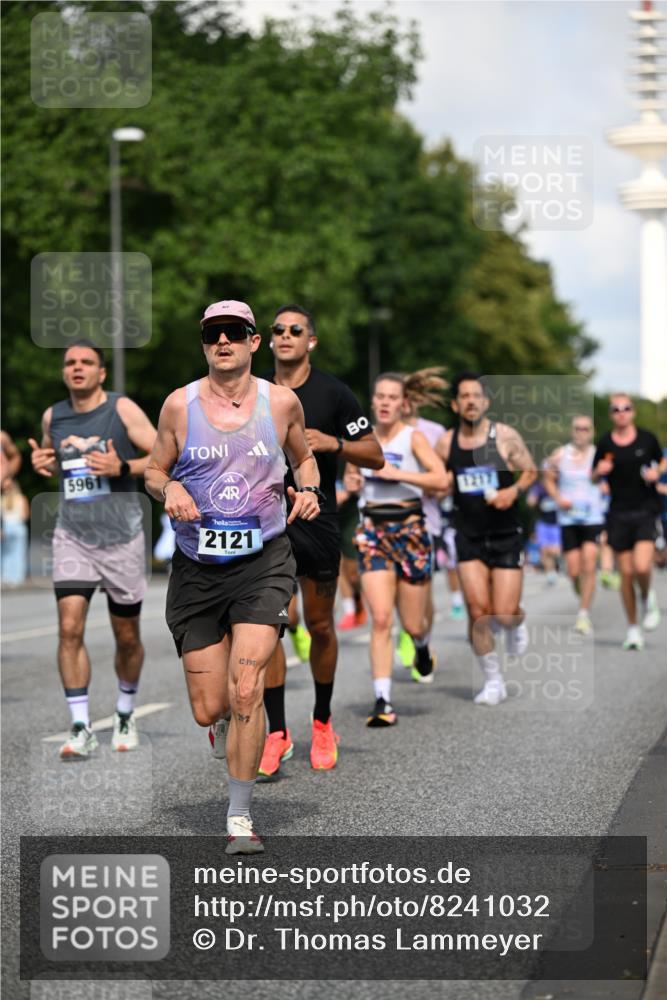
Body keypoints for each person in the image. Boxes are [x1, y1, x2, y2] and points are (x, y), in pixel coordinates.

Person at [145, 299, 321, 852]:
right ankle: (223, 727)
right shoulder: (180, 405)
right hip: (198, 568)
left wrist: (310, 489)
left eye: (234, 332)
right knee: (211, 706)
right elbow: (154, 468)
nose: (223, 342)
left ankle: (239, 818)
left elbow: (305, 458)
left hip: (263, 562)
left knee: (247, 689)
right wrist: (169, 487)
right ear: (204, 343)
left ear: (253, 342)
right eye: (213, 334)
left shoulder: (282, 402)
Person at [258, 304, 383, 777]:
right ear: (268, 340)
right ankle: (276, 731)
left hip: (318, 519)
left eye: (296, 330)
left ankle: (323, 719)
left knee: (320, 626)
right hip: (263, 521)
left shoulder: (333, 392)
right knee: (268, 628)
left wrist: (335, 444)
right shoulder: (254, 393)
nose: (285, 336)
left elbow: (375, 455)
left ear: (311, 341)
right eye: (278, 330)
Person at [28, 341, 157, 759]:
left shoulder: (121, 410)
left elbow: (161, 454)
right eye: (70, 362)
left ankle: (124, 710)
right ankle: (80, 725)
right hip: (73, 536)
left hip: (121, 537)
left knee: (127, 636)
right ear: (64, 372)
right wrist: (45, 465)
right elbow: (54, 461)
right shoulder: (54, 415)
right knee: (69, 628)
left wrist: (121, 467)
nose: (77, 368)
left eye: (86, 362)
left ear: (101, 373)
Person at [346, 372, 448, 727]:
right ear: (373, 401)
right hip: (373, 530)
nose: (386, 402)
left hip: (411, 530)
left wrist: (399, 475)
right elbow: (350, 481)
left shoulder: (413, 438)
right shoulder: (362, 439)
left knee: (414, 623)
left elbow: (441, 479)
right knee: (382, 618)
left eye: (393, 397)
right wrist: (351, 481)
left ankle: (421, 647)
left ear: (403, 404)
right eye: (381, 396)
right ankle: (383, 699)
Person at [437, 373, 537, 706]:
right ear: (455, 404)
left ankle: (517, 621)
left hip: (505, 534)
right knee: (477, 611)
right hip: (468, 536)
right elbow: (439, 480)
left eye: (476, 396)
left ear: (486, 402)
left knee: (503, 613)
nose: (470, 401)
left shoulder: (504, 436)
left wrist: (513, 490)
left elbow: (531, 471)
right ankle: (494, 681)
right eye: (463, 396)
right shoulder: (446, 442)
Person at [593, 394, 665, 650]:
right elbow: (593, 476)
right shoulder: (605, 443)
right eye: (616, 409)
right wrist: (598, 473)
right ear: (612, 414)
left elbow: (663, 459)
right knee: (625, 573)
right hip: (618, 513)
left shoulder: (647, 439)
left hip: (645, 510)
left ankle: (648, 598)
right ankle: (633, 629)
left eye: (626, 408)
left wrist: (659, 471)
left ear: (632, 412)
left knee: (642, 567)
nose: (621, 412)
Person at [543, 415, 606, 634]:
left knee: (589, 563)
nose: (581, 432)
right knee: (573, 571)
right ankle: (584, 596)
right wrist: (558, 498)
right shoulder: (560, 454)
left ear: (592, 432)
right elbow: (547, 479)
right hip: (568, 518)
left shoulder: (599, 455)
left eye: (585, 429)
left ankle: (583, 613)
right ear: (572, 431)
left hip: (592, 518)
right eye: (577, 428)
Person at [1, 441, 29, 586]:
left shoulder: (3, 500)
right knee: (18, 553)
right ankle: (16, 577)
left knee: (5, 553)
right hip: (18, 527)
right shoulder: (21, 498)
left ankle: (5, 576)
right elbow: (25, 515)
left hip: (6, 526)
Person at [526, 478, 561, 585]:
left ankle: (559, 565)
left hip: (558, 523)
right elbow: (530, 502)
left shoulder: (560, 484)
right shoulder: (538, 488)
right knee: (544, 550)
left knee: (556, 550)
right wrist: (533, 498)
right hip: (544, 523)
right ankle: (550, 573)